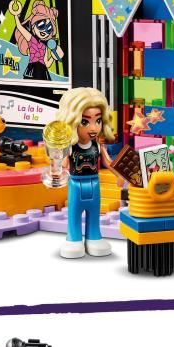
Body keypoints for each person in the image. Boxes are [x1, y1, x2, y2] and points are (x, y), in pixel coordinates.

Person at [55, 88, 121, 259]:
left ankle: (94, 237)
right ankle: (74, 239)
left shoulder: (97, 145)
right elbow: (62, 165)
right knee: (74, 213)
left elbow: (108, 163)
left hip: (94, 183)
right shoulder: (70, 147)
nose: (93, 128)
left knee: (94, 213)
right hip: (76, 184)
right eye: (85, 122)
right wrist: (56, 166)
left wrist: (120, 175)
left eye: (98, 121)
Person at [9, 0, 64, 82]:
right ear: (33, 26)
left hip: (43, 72)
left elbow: (47, 64)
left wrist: (53, 57)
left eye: (49, 28)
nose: (44, 30)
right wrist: (16, 15)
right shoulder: (31, 38)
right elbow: (20, 27)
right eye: (41, 25)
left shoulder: (45, 45)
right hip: (32, 70)